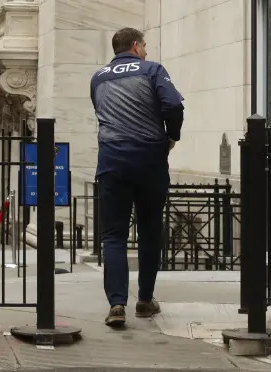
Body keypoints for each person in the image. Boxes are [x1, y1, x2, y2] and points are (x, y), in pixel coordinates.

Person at [90, 27, 185, 329]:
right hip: (149, 160)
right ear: (134, 46)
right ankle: (145, 299)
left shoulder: (98, 78)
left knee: (113, 235)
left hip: (112, 161)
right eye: (144, 45)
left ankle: (117, 304)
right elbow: (173, 105)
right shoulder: (152, 70)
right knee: (149, 229)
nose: (145, 50)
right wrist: (172, 136)